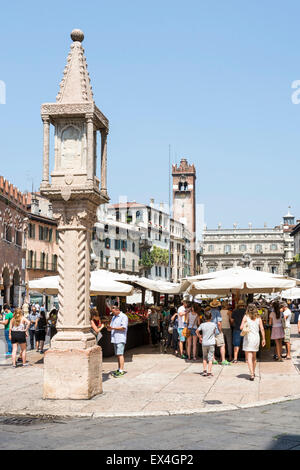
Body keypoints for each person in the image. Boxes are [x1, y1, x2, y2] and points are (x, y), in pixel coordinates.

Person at [240, 303, 266, 381]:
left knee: (249, 357)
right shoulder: (258, 318)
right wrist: (263, 339)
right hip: (256, 338)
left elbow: (241, 327)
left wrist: (246, 324)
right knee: (254, 357)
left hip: (248, 338)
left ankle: (252, 374)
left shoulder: (246, 317)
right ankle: (253, 371)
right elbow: (262, 329)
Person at [107, 304, 128, 377]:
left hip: (120, 338)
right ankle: (119, 369)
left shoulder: (123, 316)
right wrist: (109, 328)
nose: (113, 313)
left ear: (117, 310)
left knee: (120, 354)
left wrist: (113, 328)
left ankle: (121, 370)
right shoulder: (113, 317)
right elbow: (112, 326)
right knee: (118, 355)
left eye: (113, 312)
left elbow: (123, 327)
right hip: (115, 338)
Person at [210, 299, 231, 366]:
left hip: (210, 330)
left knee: (212, 345)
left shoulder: (209, 311)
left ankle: (213, 359)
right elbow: (219, 323)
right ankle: (223, 360)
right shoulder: (217, 312)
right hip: (216, 330)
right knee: (222, 345)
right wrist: (220, 330)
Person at [196, 310, 216, 377]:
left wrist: (200, 337)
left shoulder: (202, 325)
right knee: (210, 358)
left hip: (204, 343)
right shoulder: (213, 324)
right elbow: (215, 332)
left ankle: (204, 371)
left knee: (204, 357)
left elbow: (197, 331)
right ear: (211, 317)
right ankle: (209, 372)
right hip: (211, 343)